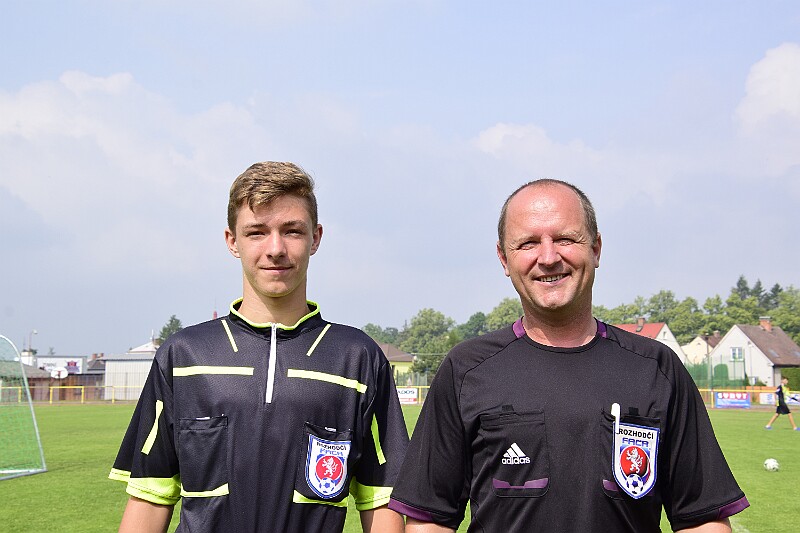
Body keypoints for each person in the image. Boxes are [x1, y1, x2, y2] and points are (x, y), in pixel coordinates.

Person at [388, 179, 749, 532]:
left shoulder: (657, 369)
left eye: (565, 239)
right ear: (504, 258)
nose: (548, 258)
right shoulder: (465, 370)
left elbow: (702, 519)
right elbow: (430, 519)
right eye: (528, 243)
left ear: (596, 248)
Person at [110, 162, 408, 532]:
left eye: (292, 231)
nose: (275, 249)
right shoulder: (183, 356)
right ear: (232, 241)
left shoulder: (357, 358)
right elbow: (150, 496)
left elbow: (381, 498)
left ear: (315, 238)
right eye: (257, 232)